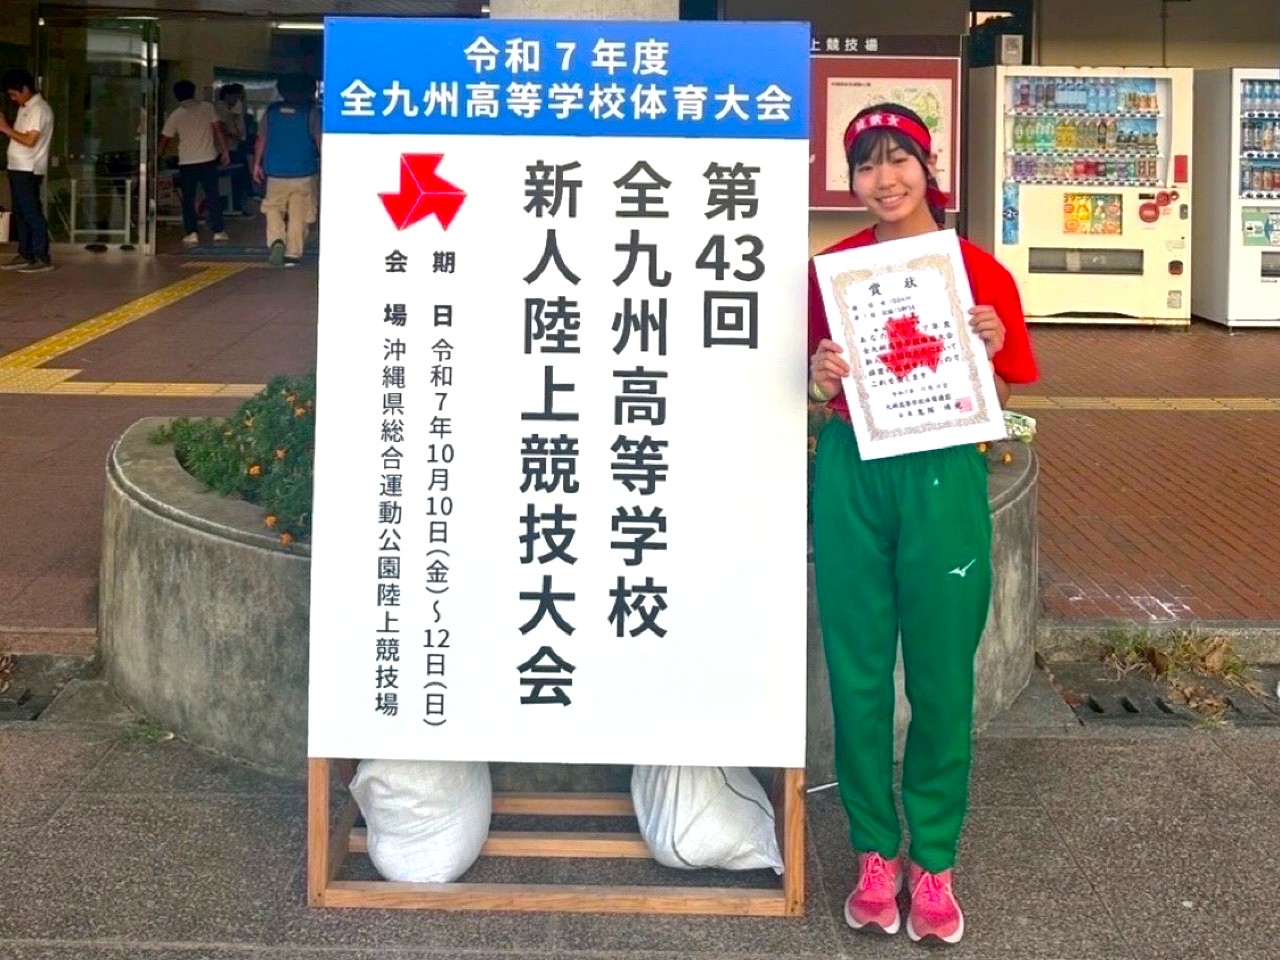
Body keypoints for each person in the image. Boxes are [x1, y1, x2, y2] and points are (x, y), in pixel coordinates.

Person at [807, 103, 1038, 945]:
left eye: (898, 159)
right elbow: (812, 392)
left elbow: (1002, 397)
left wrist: (991, 347)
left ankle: (934, 859)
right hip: (854, 470)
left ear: (927, 167)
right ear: (853, 181)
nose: (885, 179)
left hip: (943, 472)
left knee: (942, 678)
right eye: (866, 165)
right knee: (858, 672)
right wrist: (818, 378)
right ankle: (874, 851)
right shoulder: (830, 273)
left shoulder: (979, 273)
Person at [253, 73, 320, 267]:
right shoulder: (311, 113)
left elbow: (261, 139)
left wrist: (257, 164)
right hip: (304, 173)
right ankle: (292, 254)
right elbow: (319, 140)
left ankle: (277, 240)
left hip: (275, 173)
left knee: (273, 208)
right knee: (300, 214)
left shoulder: (272, 111)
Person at [158, 79, 231, 246]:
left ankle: (192, 233)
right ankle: (218, 231)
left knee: (188, 198)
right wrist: (225, 151)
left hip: (187, 162)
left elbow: (165, 139)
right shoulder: (207, 107)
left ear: (176, 96)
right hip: (208, 160)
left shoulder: (176, 115)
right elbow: (218, 130)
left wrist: (156, 157)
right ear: (194, 92)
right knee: (212, 195)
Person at [0, 68, 55, 274]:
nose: (13, 99)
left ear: (25, 89)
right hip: (17, 167)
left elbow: (30, 140)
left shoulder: (38, 109)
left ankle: (42, 256)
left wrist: (5, 128)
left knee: (31, 212)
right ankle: (26, 253)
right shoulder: (26, 108)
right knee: (21, 212)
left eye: (14, 94)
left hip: (28, 169)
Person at [215, 83, 251, 214]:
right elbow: (221, 126)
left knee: (237, 177)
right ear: (227, 95)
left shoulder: (233, 107)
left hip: (233, 145)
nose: (237, 99)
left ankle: (235, 203)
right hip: (227, 147)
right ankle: (232, 204)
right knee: (233, 178)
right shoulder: (220, 107)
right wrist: (232, 135)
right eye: (235, 96)